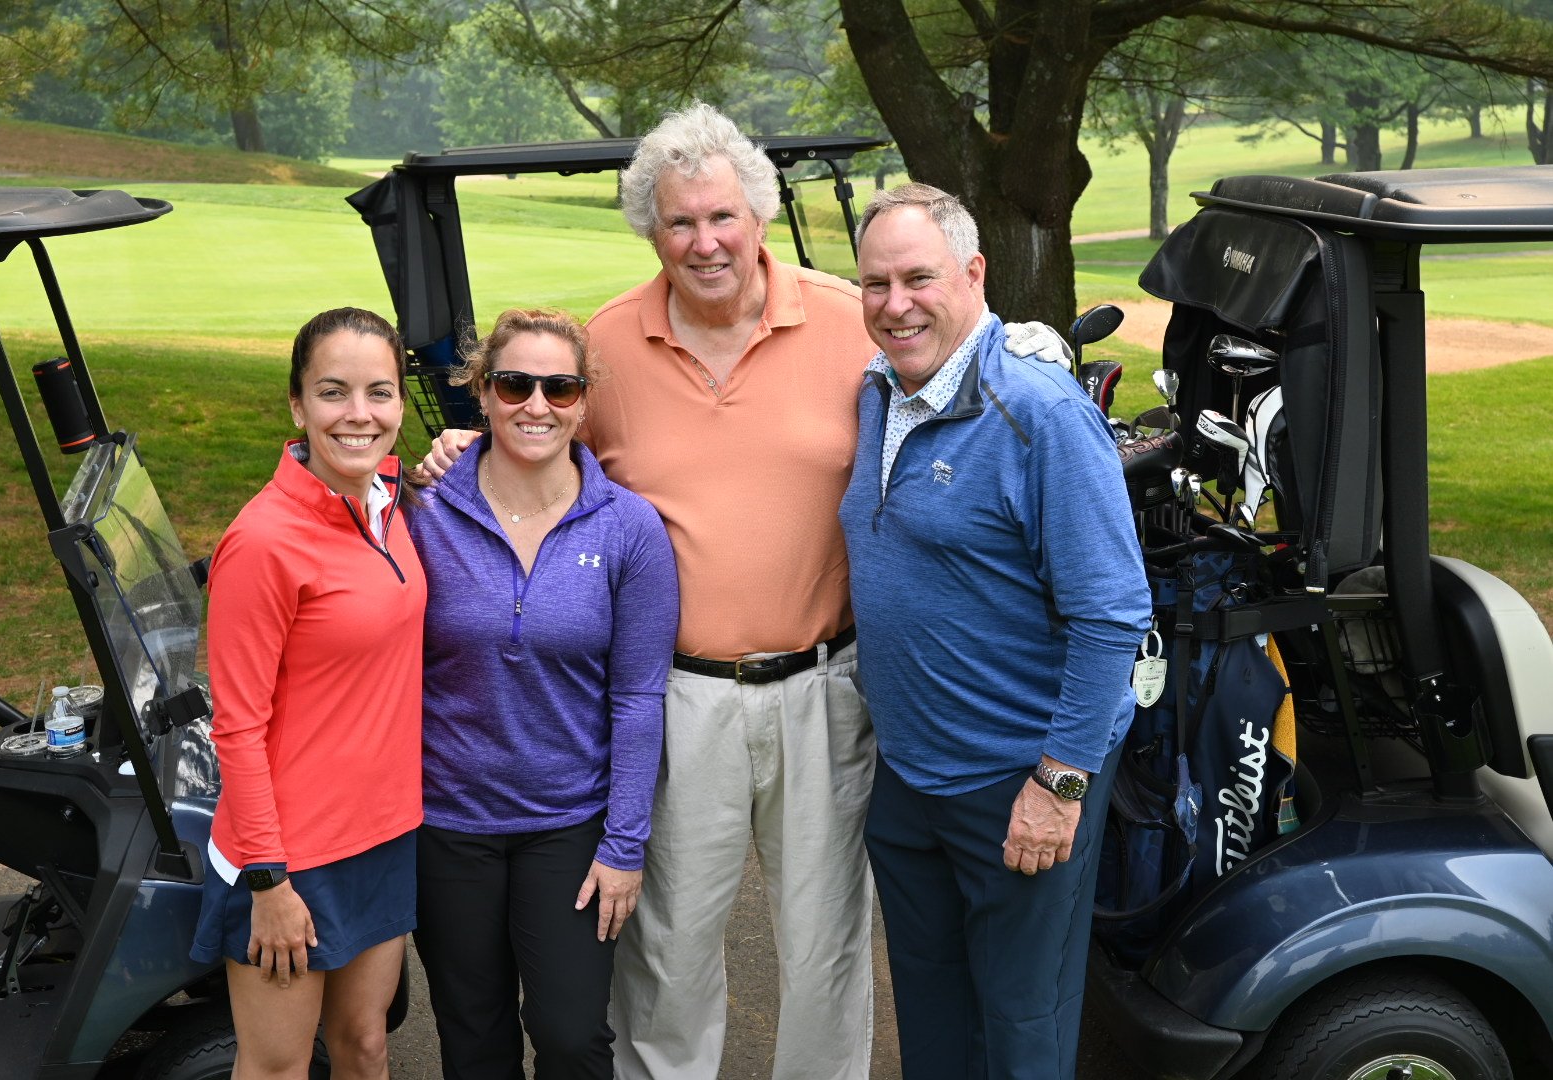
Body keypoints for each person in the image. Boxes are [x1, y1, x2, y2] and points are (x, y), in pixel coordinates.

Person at [420, 104, 1072, 1080]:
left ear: (758, 215)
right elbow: (539, 442)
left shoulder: (854, 322)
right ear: (652, 229)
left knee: (826, 952)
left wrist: (1030, 346)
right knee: (668, 952)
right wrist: (467, 447)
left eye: (721, 216)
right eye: (679, 222)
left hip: (827, 685)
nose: (704, 241)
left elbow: (960, 356)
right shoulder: (605, 349)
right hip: (677, 694)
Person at [837, 184, 1152, 1080]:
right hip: (910, 779)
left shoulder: (1041, 413)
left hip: (1017, 781)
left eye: (918, 278)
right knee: (934, 1024)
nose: (895, 304)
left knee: (1020, 1033)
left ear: (973, 274)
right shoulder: (876, 391)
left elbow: (1112, 614)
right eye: (874, 283)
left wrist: (1057, 783)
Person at [409, 309, 679, 1080]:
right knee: (473, 1033)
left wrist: (624, 845)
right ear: (481, 394)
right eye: (514, 384)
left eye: (559, 387)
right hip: (447, 822)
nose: (537, 404)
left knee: (569, 1034)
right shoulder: (424, 512)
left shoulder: (630, 528)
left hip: (569, 826)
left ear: (584, 401)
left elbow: (637, 697)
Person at [192, 307, 425, 1080]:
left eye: (379, 393)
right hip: (290, 858)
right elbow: (238, 726)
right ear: (298, 405)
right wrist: (268, 881)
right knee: (279, 1067)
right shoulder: (262, 542)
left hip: (385, 833)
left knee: (365, 1045)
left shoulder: (388, 499)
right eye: (334, 392)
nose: (359, 415)